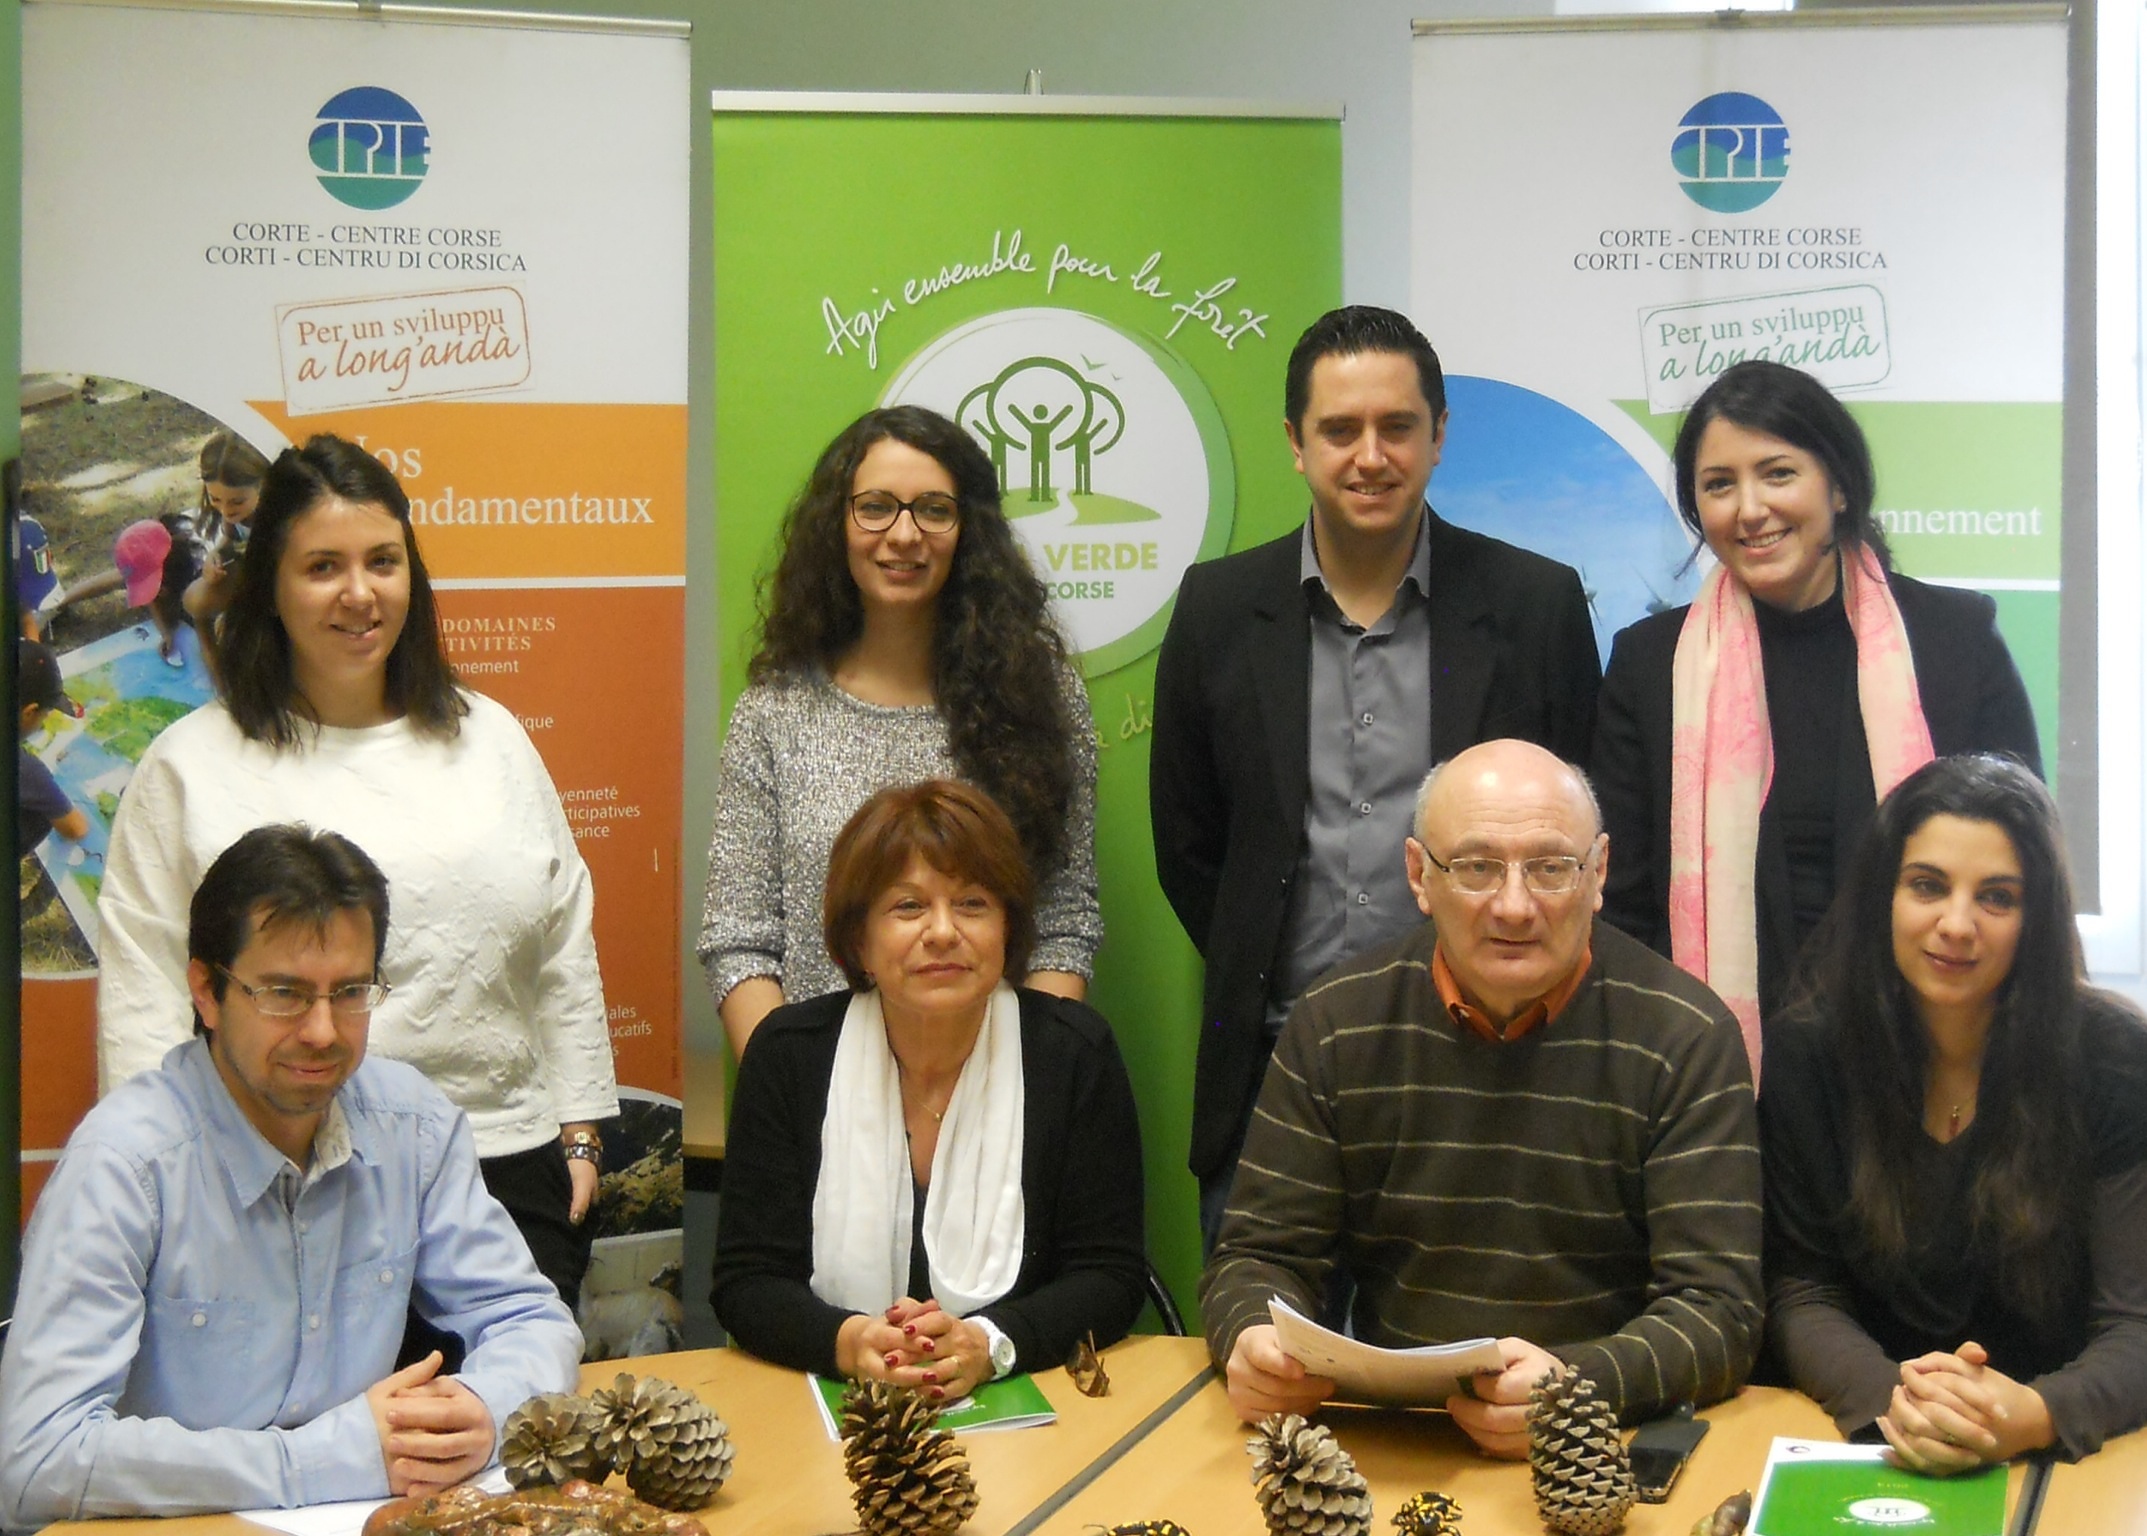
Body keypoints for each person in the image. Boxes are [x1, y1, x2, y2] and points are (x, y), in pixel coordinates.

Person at [96, 434, 617, 1310]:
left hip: (502, 1172)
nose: (359, 594)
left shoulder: (490, 739)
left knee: (507, 1437)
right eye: (323, 566)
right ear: (270, 586)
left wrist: (582, 1129)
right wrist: (159, 1184)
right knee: (313, 1447)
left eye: (383, 561)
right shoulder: (191, 767)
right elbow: (145, 991)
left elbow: (562, 937)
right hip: (273, 1186)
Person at [1150, 306, 1602, 1246]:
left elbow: (1578, 840)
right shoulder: (1217, 609)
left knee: (1469, 1368)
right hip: (1273, 1073)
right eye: (1339, 430)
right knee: (1269, 1369)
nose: (1370, 456)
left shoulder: (1535, 605)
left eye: (1396, 427)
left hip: (1488, 1065)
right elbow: (1190, 847)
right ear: (1293, 442)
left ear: (1437, 435)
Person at [0, 825, 581, 1527]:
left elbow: (530, 1318)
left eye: (350, 992)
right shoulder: (125, 1166)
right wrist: (316, 1461)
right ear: (206, 992)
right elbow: (32, 1462)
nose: (323, 1032)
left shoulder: (412, 1126)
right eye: (284, 993)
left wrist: (485, 1411)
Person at [1200, 740, 1761, 1450]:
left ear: (1598, 874)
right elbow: (1256, 1254)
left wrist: (1575, 1387)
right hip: (1398, 1445)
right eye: (1475, 867)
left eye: (1551, 867)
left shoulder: (1685, 1035)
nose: (1514, 905)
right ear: (1417, 875)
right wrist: (1251, 1337)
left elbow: (1719, 1310)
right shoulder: (1336, 1022)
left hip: (1602, 1445)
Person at [1593, 361, 2041, 1080]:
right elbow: (1620, 910)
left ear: (1836, 486)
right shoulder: (1650, 667)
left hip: (1929, 1067)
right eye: (1718, 485)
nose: (1748, 508)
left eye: (1776, 474)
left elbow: (2021, 870)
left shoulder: (1954, 642)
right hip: (1712, 1075)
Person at [1762, 755, 2147, 1468]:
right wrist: (1896, 1403)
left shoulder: (2116, 1058)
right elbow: (1802, 1289)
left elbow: (2134, 1322)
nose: (1957, 924)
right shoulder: (1806, 1052)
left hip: (2058, 1452)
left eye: (1996, 897)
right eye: (1927, 886)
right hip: (1868, 1438)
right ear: (1885, 895)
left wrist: (2031, 1414)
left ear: (2034, 918)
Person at [713, 779, 1145, 1398]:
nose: (943, 931)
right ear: (859, 940)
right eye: (909, 907)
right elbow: (746, 1281)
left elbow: (1109, 1277)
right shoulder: (790, 1057)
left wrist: (989, 1343)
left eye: (972, 903)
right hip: (822, 1410)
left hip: (1034, 1410)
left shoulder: (1074, 1054)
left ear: (1008, 929)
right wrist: (849, 1342)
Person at [699, 404, 1101, 1062]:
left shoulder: (1041, 699)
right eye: (876, 506)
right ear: (837, 523)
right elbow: (738, 938)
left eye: (934, 509)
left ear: (968, 530)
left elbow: (1063, 922)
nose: (904, 534)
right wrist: (795, 1095)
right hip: (821, 1102)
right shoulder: (773, 710)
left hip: (994, 1096)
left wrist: (1028, 1086)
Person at [184, 430, 272, 627]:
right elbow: (229, 540)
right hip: (250, 575)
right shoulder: (233, 516)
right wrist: (215, 555)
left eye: (237, 501)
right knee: (194, 600)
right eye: (215, 499)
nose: (226, 510)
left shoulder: (277, 518)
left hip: (274, 583)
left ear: (264, 486)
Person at [17, 639, 88, 852]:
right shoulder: (26, 770)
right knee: (40, 819)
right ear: (29, 711)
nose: (45, 720)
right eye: (46, 713)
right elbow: (76, 829)